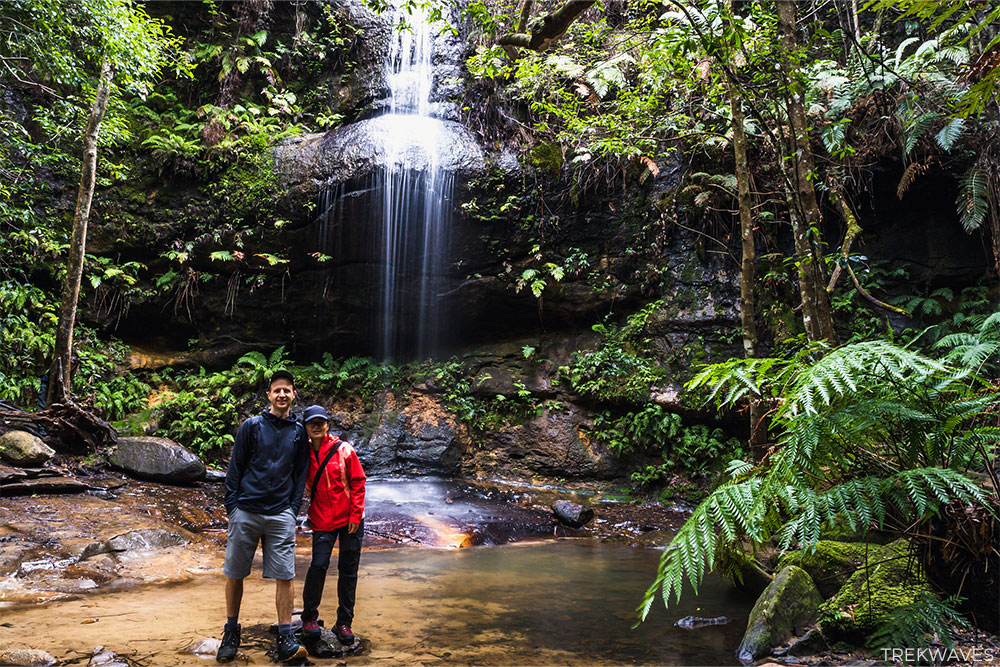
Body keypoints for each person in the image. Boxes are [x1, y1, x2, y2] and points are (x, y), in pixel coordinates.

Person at [217, 370, 309, 663]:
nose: (282, 394)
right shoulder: (251, 427)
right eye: (277, 390)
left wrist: (292, 511)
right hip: (246, 509)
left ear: (294, 395)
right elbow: (236, 467)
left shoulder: (298, 432)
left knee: (285, 574)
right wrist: (232, 507)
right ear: (269, 395)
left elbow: (300, 474)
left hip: (280, 513)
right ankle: (231, 632)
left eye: (287, 390)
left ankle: (286, 636)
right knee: (235, 572)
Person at [300, 404, 366, 650]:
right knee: (318, 565)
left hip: (350, 519)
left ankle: (344, 623)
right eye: (311, 423)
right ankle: (309, 618)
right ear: (306, 427)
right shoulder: (302, 454)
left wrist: (356, 515)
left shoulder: (344, 450)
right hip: (321, 518)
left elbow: (358, 482)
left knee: (348, 570)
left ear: (327, 425)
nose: (316, 426)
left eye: (321, 422)